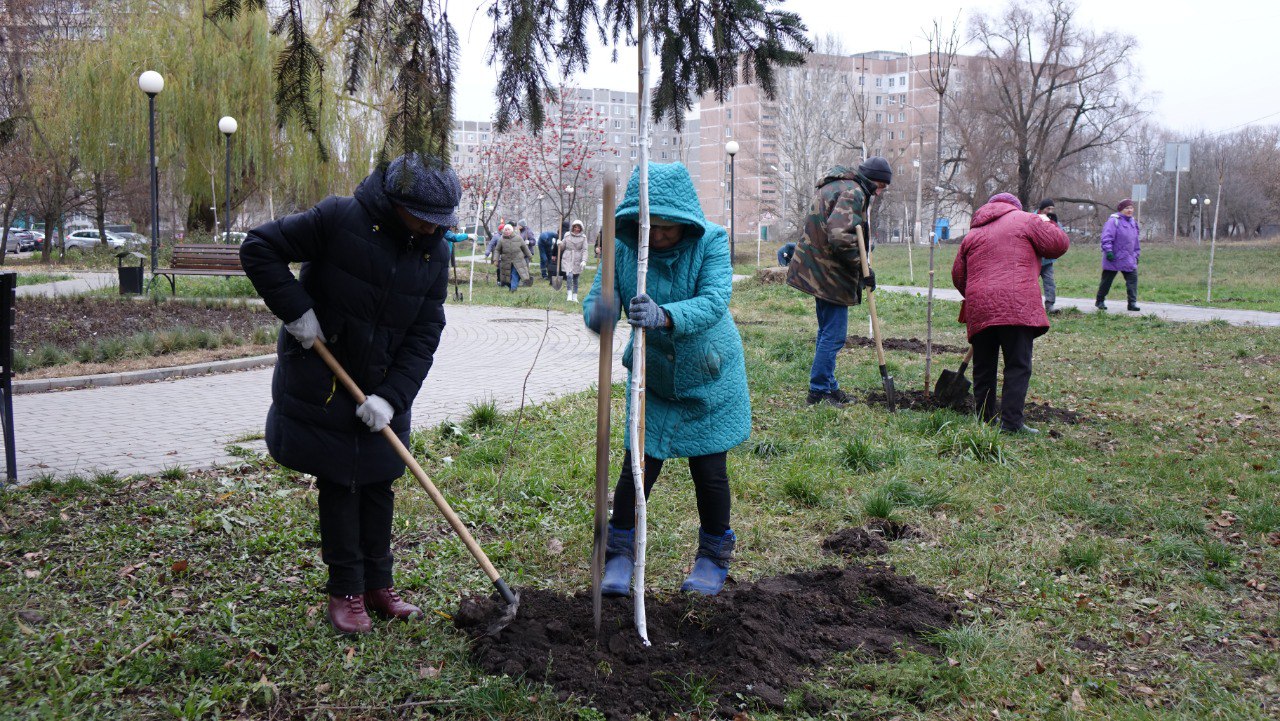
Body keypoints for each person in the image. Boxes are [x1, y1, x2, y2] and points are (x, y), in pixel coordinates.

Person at [239, 153, 458, 634]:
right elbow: (259, 247)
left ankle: (380, 586)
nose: (430, 229)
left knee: (379, 481)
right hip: (325, 379)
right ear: (396, 203)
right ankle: (347, 593)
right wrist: (297, 312)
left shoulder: (434, 250)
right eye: (423, 219)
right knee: (342, 482)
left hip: (383, 384)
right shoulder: (340, 218)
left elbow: (427, 330)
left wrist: (393, 397)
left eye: (438, 223)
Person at [583, 162, 751, 597]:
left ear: (685, 221)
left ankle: (713, 557)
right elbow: (600, 297)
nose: (657, 237)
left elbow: (715, 301)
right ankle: (620, 554)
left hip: (708, 377)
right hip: (651, 378)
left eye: (667, 228)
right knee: (637, 466)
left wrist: (666, 315)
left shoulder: (711, 241)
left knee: (710, 473)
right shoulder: (622, 249)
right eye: (649, 227)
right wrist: (598, 313)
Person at [951, 193, 1069, 435]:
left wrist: (980, 294)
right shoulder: (1027, 219)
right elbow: (1058, 245)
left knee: (984, 366)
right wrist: (1047, 220)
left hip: (980, 308)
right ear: (1014, 207)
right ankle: (1011, 424)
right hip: (1017, 305)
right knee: (1017, 365)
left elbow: (958, 276)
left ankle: (984, 420)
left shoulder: (972, 234)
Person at [785, 157, 889, 407]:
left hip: (819, 269)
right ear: (875, 181)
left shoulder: (838, 185)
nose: (882, 192)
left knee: (827, 331)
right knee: (834, 334)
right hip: (829, 272)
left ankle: (829, 386)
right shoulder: (854, 192)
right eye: (883, 186)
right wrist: (863, 268)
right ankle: (819, 391)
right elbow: (841, 236)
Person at [1095, 198, 1141, 312]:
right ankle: (1100, 300)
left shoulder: (1133, 223)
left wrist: (1136, 255)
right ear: (1121, 209)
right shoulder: (1113, 221)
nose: (1129, 210)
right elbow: (1106, 238)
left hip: (1129, 258)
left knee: (1132, 281)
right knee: (1107, 281)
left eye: (1131, 208)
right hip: (1114, 257)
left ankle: (1132, 303)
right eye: (1127, 208)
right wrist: (1108, 251)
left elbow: (1135, 241)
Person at [1036, 199, 1061, 314]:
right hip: (1034, 259)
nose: (1050, 211)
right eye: (1048, 209)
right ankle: (1032, 305)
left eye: (1052, 209)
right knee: (1030, 284)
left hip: (1047, 261)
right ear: (1041, 210)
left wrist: (1054, 224)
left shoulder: (1053, 220)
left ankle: (1050, 305)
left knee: (1050, 283)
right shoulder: (1032, 218)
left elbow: (1061, 235)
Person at [492, 223, 531, 292]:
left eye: (508, 229)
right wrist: (495, 259)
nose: (507, 231)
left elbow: (524, 247)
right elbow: (497, 250)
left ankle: (513, 289)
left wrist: (529, 255)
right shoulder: (501, 240)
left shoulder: (518, 238)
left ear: (512, 230)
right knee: (507, 277)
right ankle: (511, 287)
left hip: (518, 260)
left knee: (514, 274)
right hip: (506, 261)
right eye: (505, 230)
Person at [559, 218, 589, 302]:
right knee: (569, 276)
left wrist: (584, 260)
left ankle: (575, 296)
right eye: (575, 227)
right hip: (568, 258)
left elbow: (585, 250)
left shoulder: (583, 238)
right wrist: (559, 244)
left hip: (577, 258)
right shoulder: (567, 235)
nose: (576, 229)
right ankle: (569, 294)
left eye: (578, 227)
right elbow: (562, 247)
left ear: (581, 228)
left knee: (575, 277)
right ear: (572, 227)